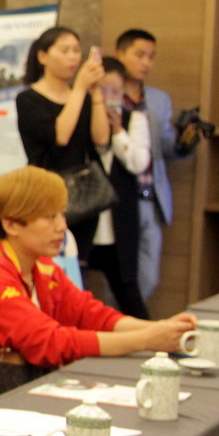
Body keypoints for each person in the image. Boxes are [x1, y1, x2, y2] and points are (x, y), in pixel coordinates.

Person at [0, 166, 196, 425]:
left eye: (61, 214)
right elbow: (50, 343)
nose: (62, 226)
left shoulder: (40, 265)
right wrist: (147, 339)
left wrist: (160, 329)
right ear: (11, 225)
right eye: (49, 217)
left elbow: (90, 314)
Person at [15, 26, 110, 256]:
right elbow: (61, 136)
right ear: (43, 56)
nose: (73, 57)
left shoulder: (83, 96)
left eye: (76, 50)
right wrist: (80, 88)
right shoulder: (28, 99)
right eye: (65, 50)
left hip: (84, 193)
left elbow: (101, 138)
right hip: (46, 193)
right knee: (49, 260)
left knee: (78, 260)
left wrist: (96, 92)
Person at [115, 29, 187, 303]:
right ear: (120, 55)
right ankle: (116, 327)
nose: (146, 63)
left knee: (148, 277)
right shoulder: (107, 93)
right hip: (117, 199)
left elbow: (164, 149)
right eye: (140, 55)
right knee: (120, 277)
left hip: (149, 199)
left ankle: (126, 323)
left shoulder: (158, 99)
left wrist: (185, 142)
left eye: (151, 57)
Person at [86, 56, 151, 318]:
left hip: (119, 223)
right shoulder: (80, 118)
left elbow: (139, 163)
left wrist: (117, 132)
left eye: (115, 91)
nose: (108, 97)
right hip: (85, 220)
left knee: (128, 291)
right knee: (74, 288)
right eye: (102, 90)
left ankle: (148, 337)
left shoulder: (135, 119)